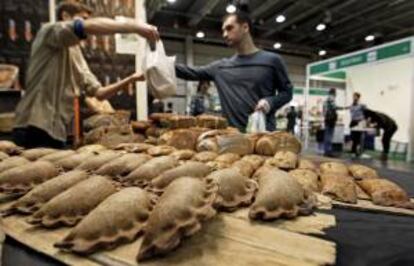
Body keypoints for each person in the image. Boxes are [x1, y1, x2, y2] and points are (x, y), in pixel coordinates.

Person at [12, 1, 159, 149]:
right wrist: (135, 27)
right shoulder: (49, 31)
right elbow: (81, 27)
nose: (88, 25)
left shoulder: (75, 53)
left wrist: (132, 78)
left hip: (57, 132)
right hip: (32, 127)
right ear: (65, 16)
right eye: (82, 18)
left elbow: (100, 94)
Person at [175, 11, 293, 132]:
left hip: (263, 139)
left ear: (245, 27)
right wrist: (157, 58)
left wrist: (270, 102)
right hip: (232, 141)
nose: (225, 34)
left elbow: (287, 93)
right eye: (223, 31)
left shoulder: (272, 61)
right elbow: (189, 72)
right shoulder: (220, 68)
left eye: (229, 28)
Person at [349, 92, 366, 156]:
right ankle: (353, 150)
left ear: (358, 97)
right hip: (353, 121)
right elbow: (351, 111)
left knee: (358, 137)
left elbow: (365, 112)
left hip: (359, 122)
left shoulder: (361, 105)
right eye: (353, 96)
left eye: (355, 96)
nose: (353, 97)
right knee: (353, 137)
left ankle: (357, 151)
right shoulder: (352, 104)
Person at [323, 88, 338, 157]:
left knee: (327, 134)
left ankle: (326, 151)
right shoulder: (331, 98)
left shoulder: (326, 99)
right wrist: (344, 108)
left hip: (327, 119)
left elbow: (325, 110)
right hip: (331, 119)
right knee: (329, 135)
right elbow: (334, 107)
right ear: (334, 92)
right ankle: (328, 151)